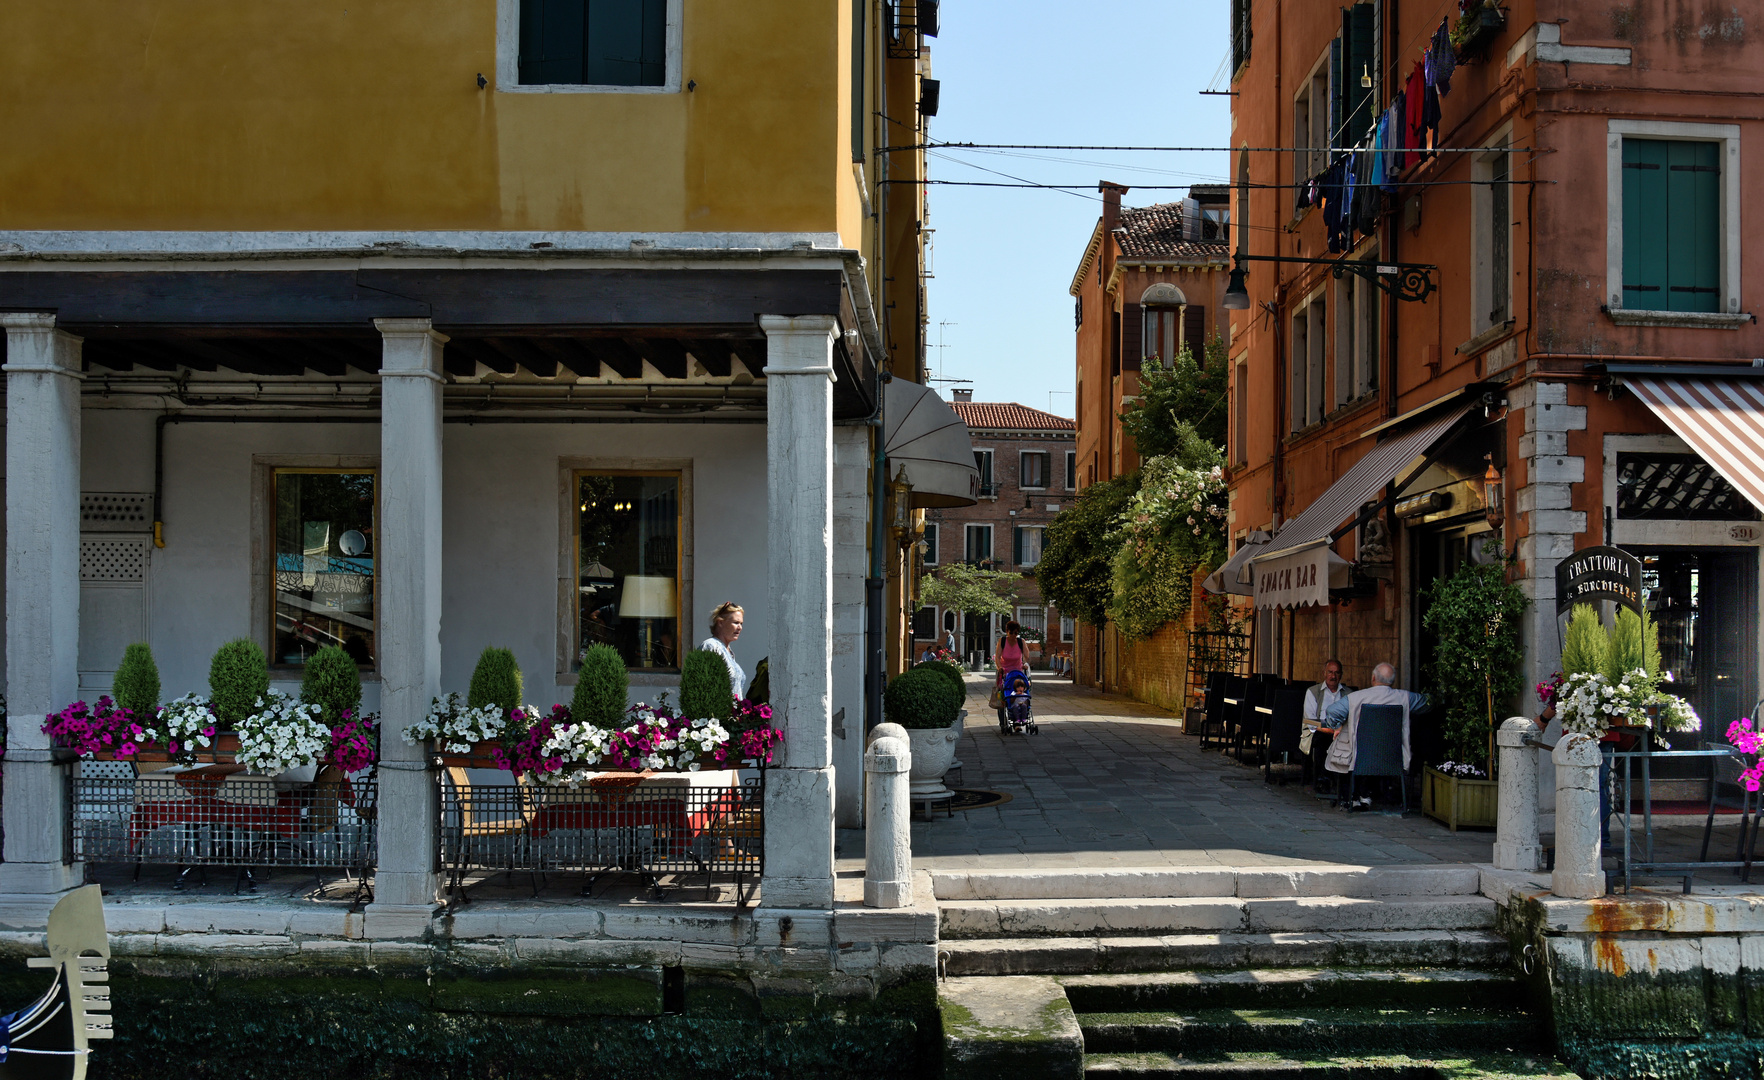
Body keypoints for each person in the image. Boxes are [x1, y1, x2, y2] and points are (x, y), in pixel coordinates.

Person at [1323, 662, 1432, 805]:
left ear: (1373, 678)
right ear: (1393, 681)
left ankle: (1354, 796)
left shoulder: (1356, 697)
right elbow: (1428, 703)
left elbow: (1332, 711)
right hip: (1393, 756)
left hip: (1361, 756)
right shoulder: (1405, 698)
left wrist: (1336, 725)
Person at [1300, 659, 1349, 762]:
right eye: (1330, 672)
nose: (1333, 676)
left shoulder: (1349, 694)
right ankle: (1322, 777)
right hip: (1318, 732)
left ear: (1341, 675)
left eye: (1337, 673)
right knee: (1322, 740)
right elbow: (1311, 721)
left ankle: (1342, 776)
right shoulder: (1313, 692)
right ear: (1324, 673)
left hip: (1342, 732)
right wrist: (1332, 730)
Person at [698, 601, 746, 699]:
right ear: (720, 622)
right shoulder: (711, 646)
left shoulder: (728, 652)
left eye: (741, 623)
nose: (739, 627)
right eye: (736, 623)